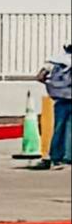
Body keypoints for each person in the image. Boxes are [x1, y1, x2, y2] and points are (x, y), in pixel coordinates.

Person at [31, 43, 72, 172]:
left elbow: (40, 77)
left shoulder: (55, 60)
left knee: (59, 128)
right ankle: (68, 157)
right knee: (69, 128)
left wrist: (54, 84)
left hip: (60, 98)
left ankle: (56, 157)